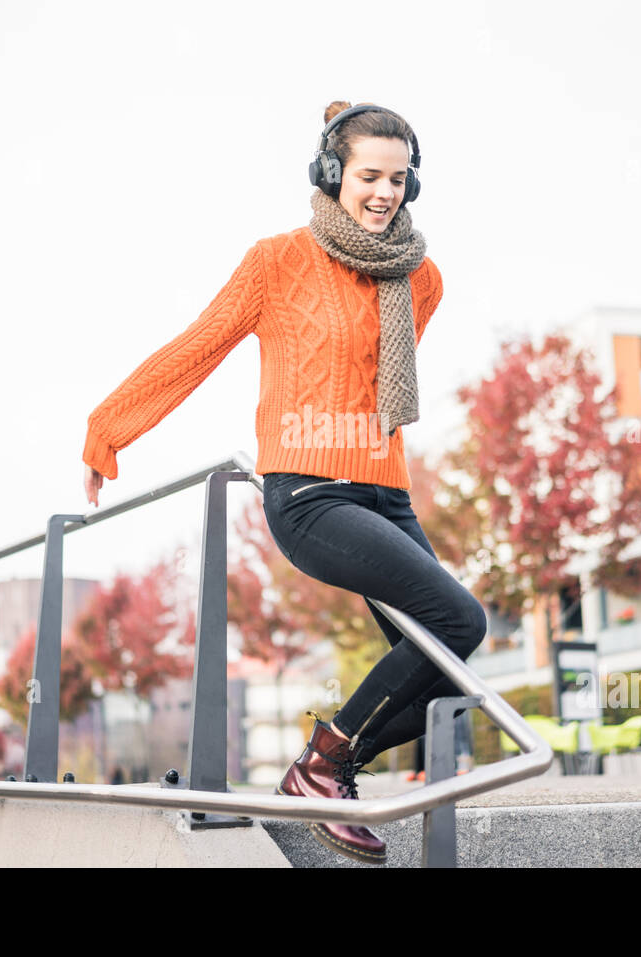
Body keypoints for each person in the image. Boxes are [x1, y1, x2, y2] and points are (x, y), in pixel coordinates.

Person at [81, 100, 487, 865]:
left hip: (386, 493)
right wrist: (110, 428)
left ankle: (324, 766)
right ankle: (326, 767)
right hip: (310, 493)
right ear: (332, 173)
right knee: (458, 618)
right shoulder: (276, 261)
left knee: (450, 668)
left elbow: (374, 386)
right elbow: (198, 345)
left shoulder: (420, 277)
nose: (384, 192)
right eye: (368, 175)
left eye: (399, 179)